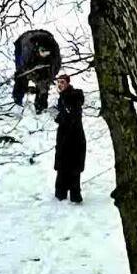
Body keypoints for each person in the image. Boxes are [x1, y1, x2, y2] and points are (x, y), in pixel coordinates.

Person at [52, 74, 86, 203]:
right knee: (63, 167)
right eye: (58, 82)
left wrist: (60, 117)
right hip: (65, 137)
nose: (60, 85)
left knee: (72, 167)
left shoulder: (72, 96)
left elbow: (72, 117)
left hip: (74, 138)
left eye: (62, 82)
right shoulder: (64, 97)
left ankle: (73, 196)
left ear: (67, 83)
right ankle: (61, 195)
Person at [13, 30, 61, 113]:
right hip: (22, 44)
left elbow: (55, 68)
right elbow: (21, 68)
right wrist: (25, 73)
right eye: (42, 52)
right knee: (21, 78)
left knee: (44, 84)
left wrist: (48, 80)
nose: (44, 54)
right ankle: (17, 102)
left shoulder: (54, 56)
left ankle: (41, 109)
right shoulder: (27, 51)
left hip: (43, 64)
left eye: (46, 53)